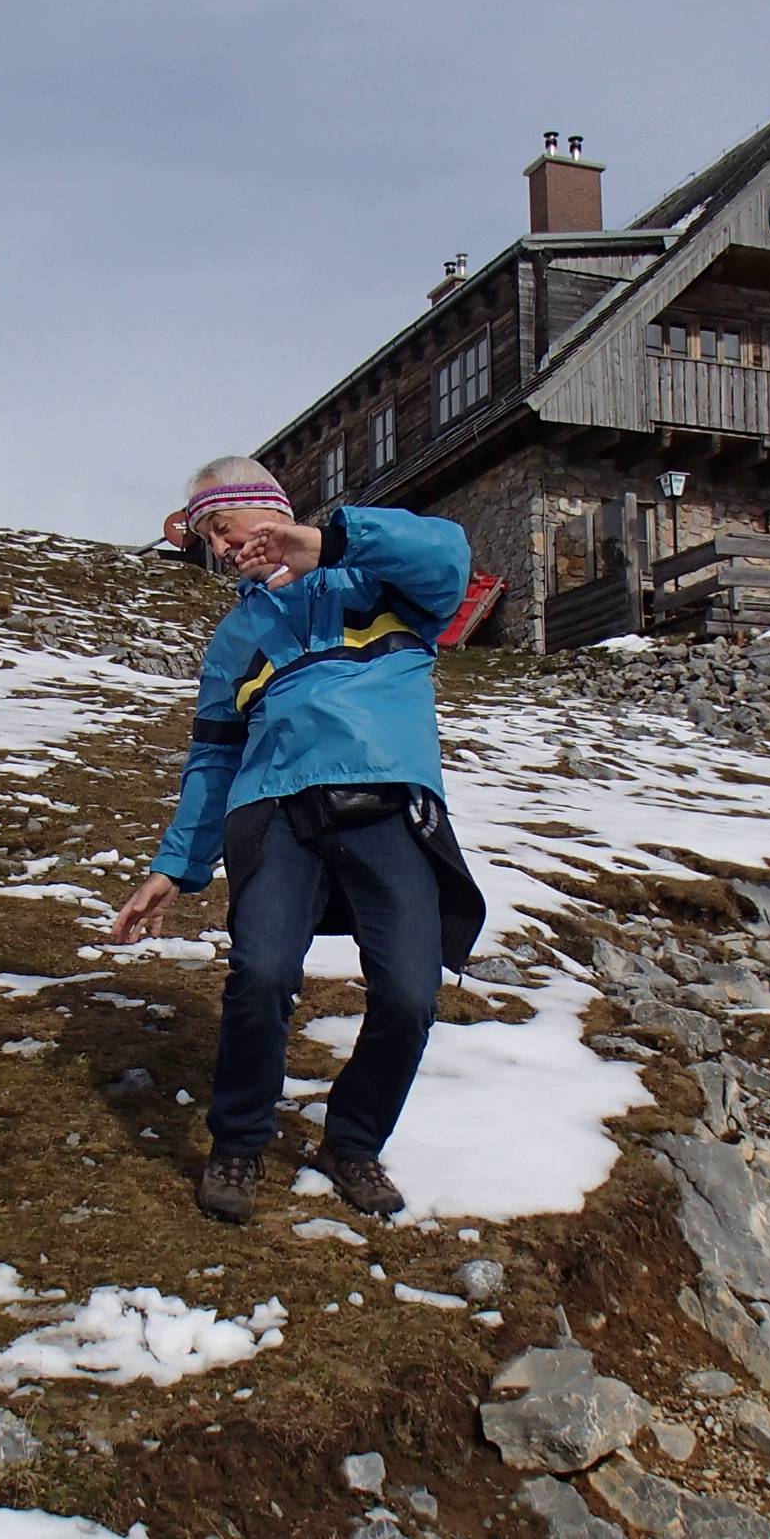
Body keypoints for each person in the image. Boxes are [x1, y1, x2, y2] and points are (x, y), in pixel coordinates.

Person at [111, 457, 485, 1227]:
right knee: (260, 972)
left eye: (226, 525)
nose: (220, 545)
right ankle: (240, 1140)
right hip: (273, 810)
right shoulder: (236, 635)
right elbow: (214, 756)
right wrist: (174, 867)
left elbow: (450, 555)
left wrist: (327, 543)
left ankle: (351, 1145)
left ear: (267, 510)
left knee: (412, 995)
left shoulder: (375, 583)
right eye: (208, 536)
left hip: (387, 802)